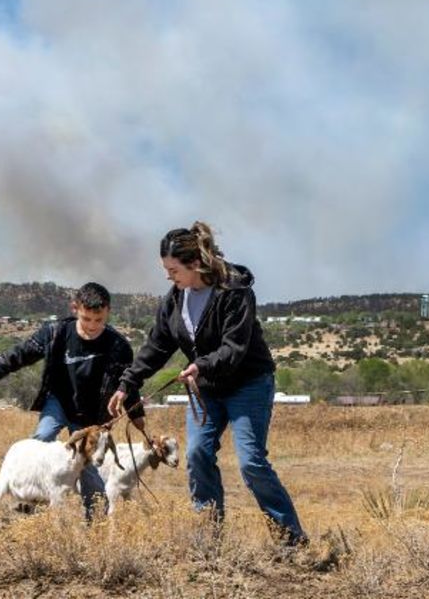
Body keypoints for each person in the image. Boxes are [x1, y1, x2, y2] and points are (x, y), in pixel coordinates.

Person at [107, 221, 307, 546]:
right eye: (166, 270)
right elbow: (156, 346)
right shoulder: (175, 299)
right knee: (198, 453)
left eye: (173, 270)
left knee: (251, 462)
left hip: (249, 384)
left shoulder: (235, 291)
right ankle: (209, 536)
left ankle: (291, 538)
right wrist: (127, 384)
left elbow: (234, 348)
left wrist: (200, 365)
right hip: (207, 390)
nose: (169, 277)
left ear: (195, 264)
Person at [0, 281, 143, 516]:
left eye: (99, 320)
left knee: (88, 466)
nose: (93, 326)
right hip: (58, 403)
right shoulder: (55, 333)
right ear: (75, 308)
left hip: (91, 414)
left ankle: (96, 517)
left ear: (108, 312)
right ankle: (29, 498)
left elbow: (127, 383)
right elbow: (22, 353)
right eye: (86, 319)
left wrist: (137, 414)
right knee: (42, 438)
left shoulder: (119, 345)